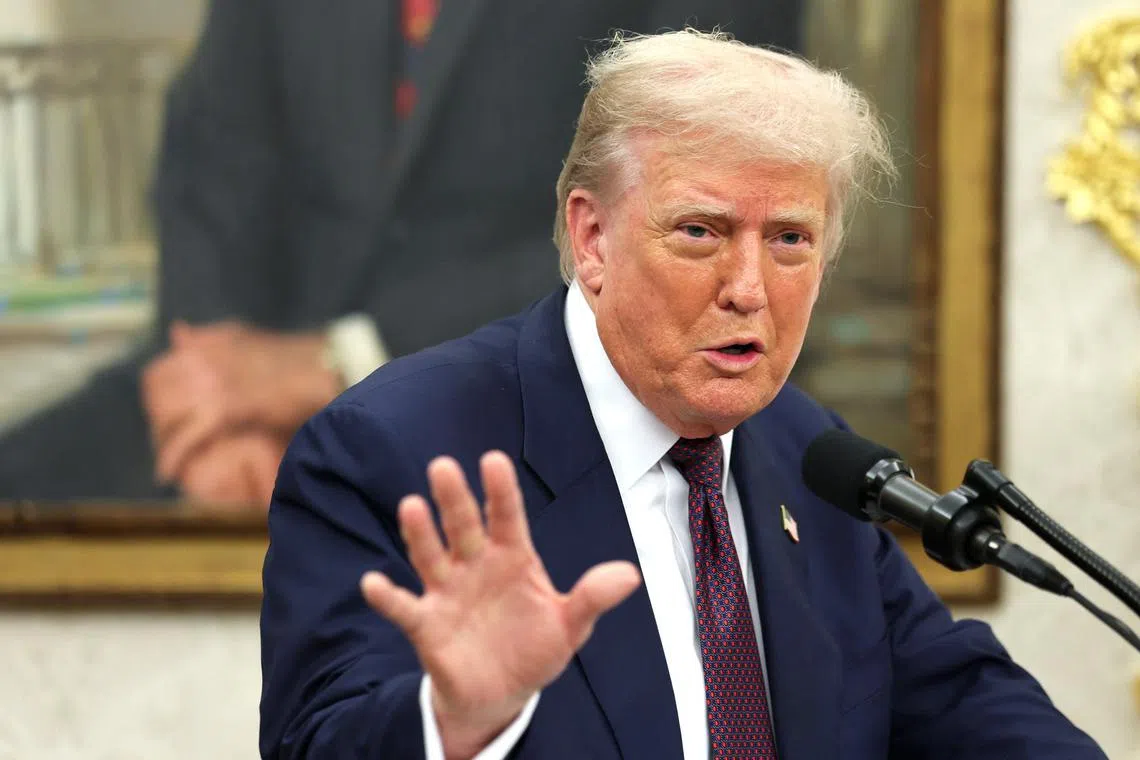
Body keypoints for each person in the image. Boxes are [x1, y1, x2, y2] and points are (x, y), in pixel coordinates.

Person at [259, 30, 1106, 759]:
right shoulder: (392, 446)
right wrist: (457, 720)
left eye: (790, 240)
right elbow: (316, 739)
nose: (749, 288)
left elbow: (961, 702)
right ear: (592, 238)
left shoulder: (808, 452)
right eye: (701, 231)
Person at [0, 0, 803, 507]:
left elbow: (681, 223)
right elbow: (212, 161)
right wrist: (209, 406)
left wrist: (335, 365)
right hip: (239, 382)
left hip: (540, 391)